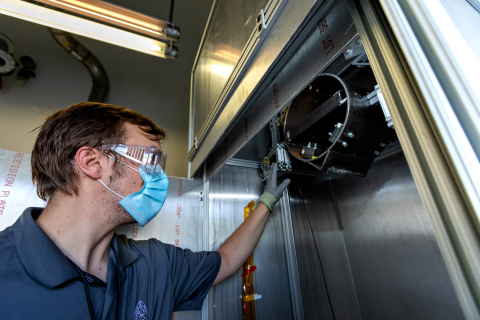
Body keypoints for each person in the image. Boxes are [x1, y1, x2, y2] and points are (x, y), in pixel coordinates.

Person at [0, 102, 290, 319]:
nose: (159, 177)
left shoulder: (155, 263)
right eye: (151, 159)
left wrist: (266, 201)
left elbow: (226, 261)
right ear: (92, 162)